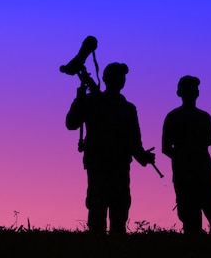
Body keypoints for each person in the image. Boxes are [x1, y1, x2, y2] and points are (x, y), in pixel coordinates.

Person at [66, 62, 155, 235]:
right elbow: (71, 123)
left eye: (122, 76)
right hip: (99, 163)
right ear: (106, 79)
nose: (120, 79)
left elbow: (134, 140)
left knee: (119, 211)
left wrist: (142, 157)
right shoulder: (92, 101)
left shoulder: (128, 108)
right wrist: (80, 99)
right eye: (116, 76)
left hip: (119, 164)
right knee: (98, 209)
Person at [161, 75, 211, 236]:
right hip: (186, 175)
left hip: (204, 173)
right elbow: (165, 148)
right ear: (180, 92)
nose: (192, 92)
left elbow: (204, 146)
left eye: (194, 88)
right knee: (192, 220)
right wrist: (181, 159)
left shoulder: (204, 117)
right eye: (188, 88)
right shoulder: (174, 117)